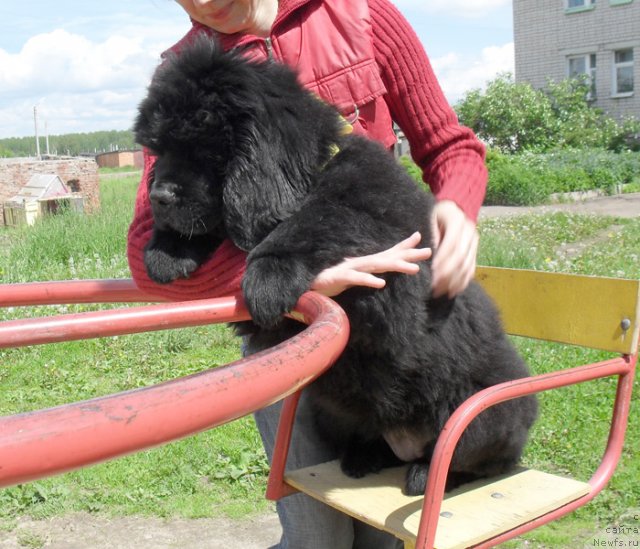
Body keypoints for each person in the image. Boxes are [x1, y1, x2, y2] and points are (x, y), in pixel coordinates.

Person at [127, 1, 488, 547]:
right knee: (316, 537)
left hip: (389, 338)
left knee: (384, 534)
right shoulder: (184, 73)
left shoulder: (361, 16)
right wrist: (298, 275)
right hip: (284, 340)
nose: (203, 2)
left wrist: (456, 208)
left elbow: (449, 146)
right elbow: (148, 253)